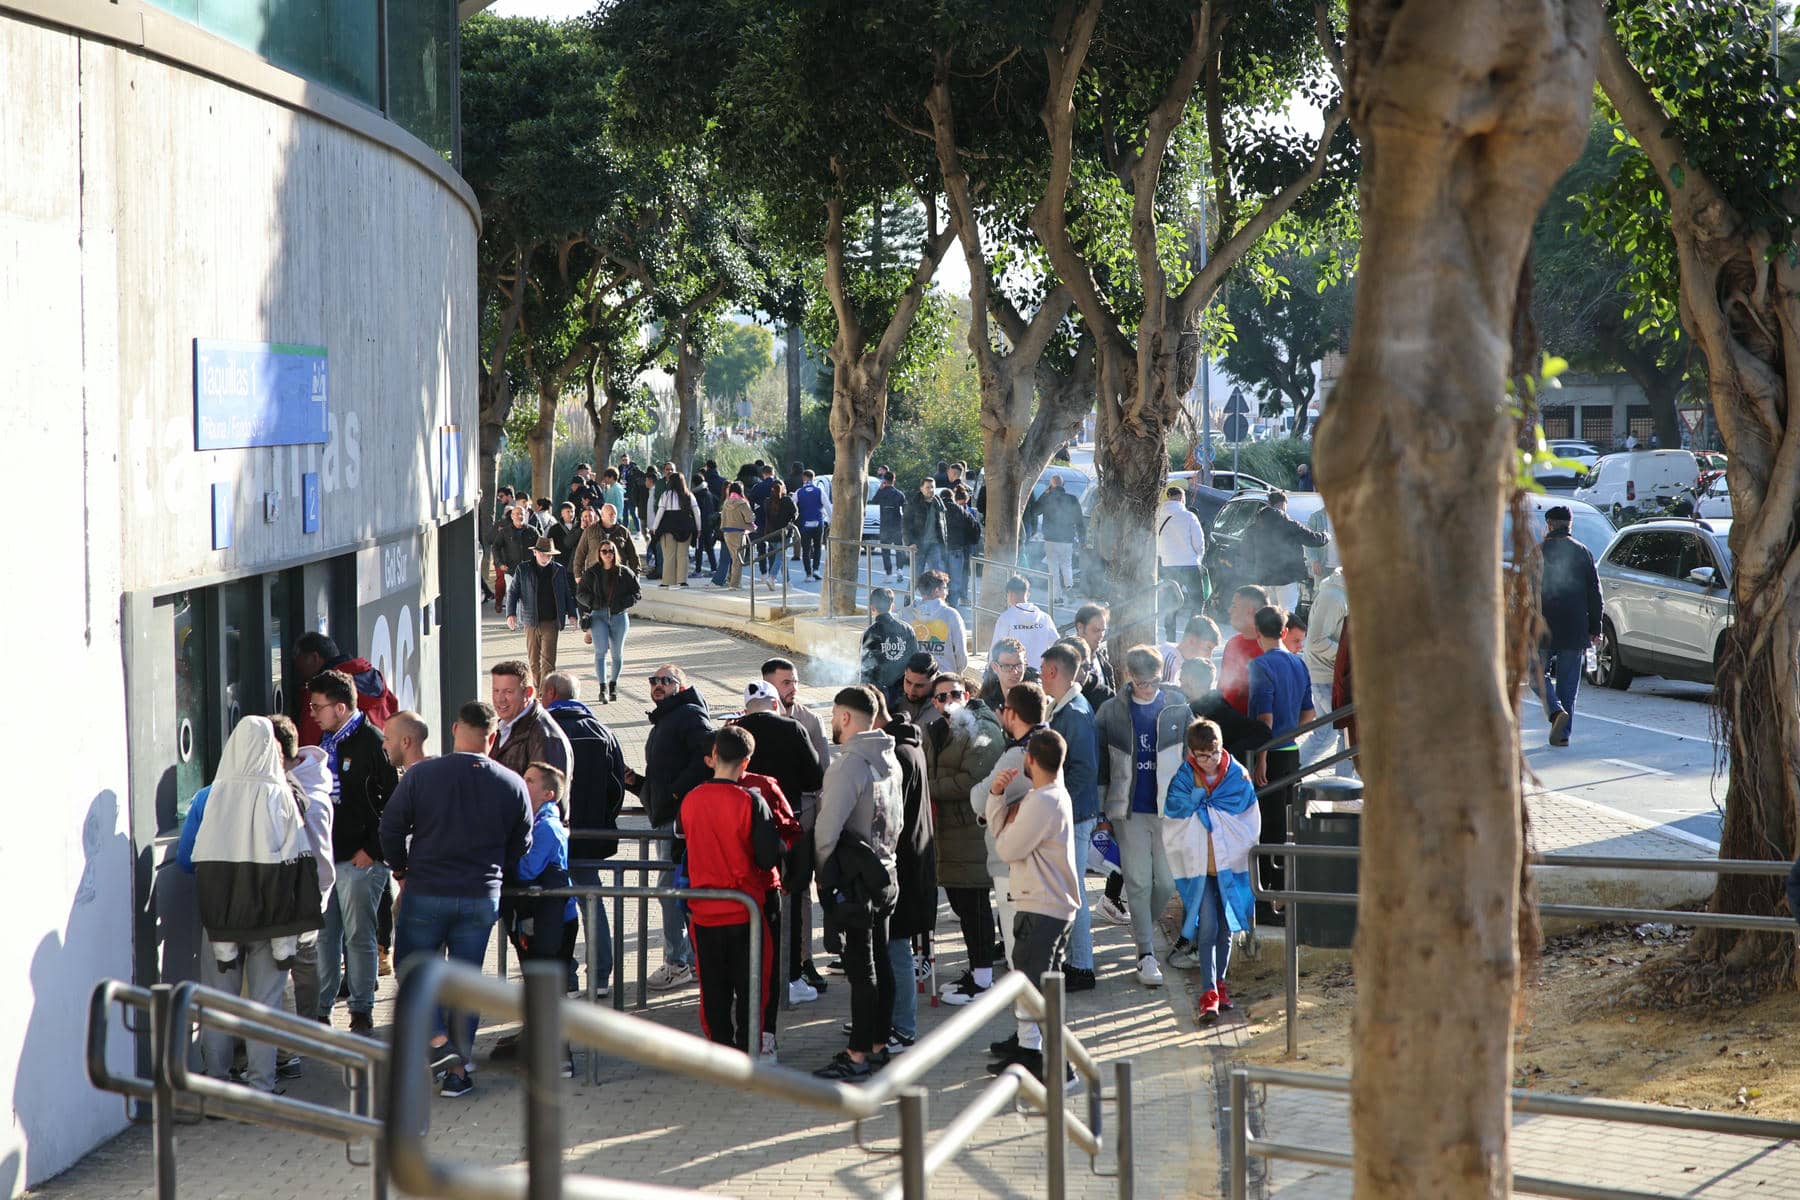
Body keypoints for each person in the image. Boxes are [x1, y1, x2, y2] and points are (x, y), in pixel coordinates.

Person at [380, 701, 533, 1097]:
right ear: (492, 736)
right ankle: (459, 1069)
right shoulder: (512, 783)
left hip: (428, 890)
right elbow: (521, 843)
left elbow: (391, 828)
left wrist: (401, 870)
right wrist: (495, 870)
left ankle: (437, 1044)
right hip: (482, 896)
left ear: (454, 729)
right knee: (465, 983)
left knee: (413, 970)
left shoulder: (423, 776)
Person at [178, 716, 325, 1092]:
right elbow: (301, 862)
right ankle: (261, 1085)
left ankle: (216, 1085)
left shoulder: (210, 797)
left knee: (216, 1004)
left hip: (222, 920)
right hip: (273, 921)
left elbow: (186, 859)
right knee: (265, 1004)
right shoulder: (284, 797)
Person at [812, 686, 903, 1081]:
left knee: (862, 971)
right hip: (886, 873)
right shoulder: (891, 758)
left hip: (855, 882)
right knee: (880, 964)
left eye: (834, 715)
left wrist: (821, 874)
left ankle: (858, 1055)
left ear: (846, 717)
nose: (832, 723)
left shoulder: (849, 764)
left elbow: (826, 830)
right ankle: (880, 1044)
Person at [681, 727, 787, 1056]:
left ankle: (720, 1049)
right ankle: (749, 1046)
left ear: (714, 757)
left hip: (704, 910)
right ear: (746, 762)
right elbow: (767, 855)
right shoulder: (750, 801)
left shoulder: (691, 798)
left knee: (713, 986)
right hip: (745, 909)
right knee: (751, 983)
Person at [983, 729, 1079, 1083]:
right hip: (1048, 906)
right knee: (1036, 988)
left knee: (1038, 993)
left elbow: (1007, 849)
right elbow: (1005, 838)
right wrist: (998, 799)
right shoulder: (1052, 794)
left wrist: (999, 803)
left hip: (1042, 908)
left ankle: (1062, 1069)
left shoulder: (1042, 801)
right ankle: (1033, 1055)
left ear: (1031, 761)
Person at [309, 669, 398, 1033]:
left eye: (319, 706)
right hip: (326, 860)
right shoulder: (324, 742)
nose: (313, 713)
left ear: (341, 707)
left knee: (359, 936)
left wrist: (373, 850)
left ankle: (361, 1010)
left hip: (360, 860)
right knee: (325, 937)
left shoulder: (374, 743)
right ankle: (320, 1008)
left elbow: (394, 803)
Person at [1093, 646, 1188, 988]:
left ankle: (1141, 930)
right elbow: (1101, 767)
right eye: (1143, 682)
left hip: (1168, 810)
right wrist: (1103, 813)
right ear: (1129, 676)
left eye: (1155, 681)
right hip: (1127, 809)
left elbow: (1190, 759)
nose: (1150, 688)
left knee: (1165, 881)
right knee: (1138, 881)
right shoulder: (1110, 712)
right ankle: (1145, 952)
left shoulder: (1177, 707)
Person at [623, 664, 715, 990]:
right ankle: (688, 960)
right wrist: (636, 784)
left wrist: (678, 790)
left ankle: (678, 962)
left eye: (666, 680)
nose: (658, 685)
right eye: (653, 680)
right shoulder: (666, 718)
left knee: (670, 890)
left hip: (680, 821)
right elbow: (663, 778)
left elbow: (708, 754)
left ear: (681, 685)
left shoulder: (688, 713)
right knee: (673, 891)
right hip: (668, 816)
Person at [1162, 718, 1261, 1022]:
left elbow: (1250, 823)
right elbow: (1173, 818)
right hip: (1199, 871)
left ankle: (1221, 984)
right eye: (1202, 756)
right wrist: (1197, 805)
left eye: (1214, 753)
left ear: (1221, 747)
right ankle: (1208, 994)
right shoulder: (1183, 779)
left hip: (1230, 869)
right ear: (1192, 753)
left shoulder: (1238, 778)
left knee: (1226, 927)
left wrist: (1208, 809)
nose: (1209, 760)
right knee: (1207, 928)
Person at [973, 682, 1048, 1063]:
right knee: (1027, 959)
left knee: (1022, 959)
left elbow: (979, 797)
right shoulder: (1046, 744)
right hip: (1036, 869)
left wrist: (992, 796)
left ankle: (1031, 1042)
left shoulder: (1019, 755)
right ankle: (1026, 1035)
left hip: (1014, 867)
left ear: (1011, 713)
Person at [540, 673, 625, 995]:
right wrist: (603, 819)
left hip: (550, 834)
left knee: (553, 905)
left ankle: (567, 977)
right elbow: (616, 786)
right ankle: (601, 976)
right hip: (589, 835)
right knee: (592, 900)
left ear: (549, 693)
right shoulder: (601, 730)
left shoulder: (543, 731)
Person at [494, 763, 580, 1075]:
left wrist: (507, 853)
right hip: (535, 917)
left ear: (549, 793)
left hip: (552, 920)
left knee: (549, 988)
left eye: (529, 780)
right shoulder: (533, 822)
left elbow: (527, 869)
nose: (522, 783)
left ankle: (560, 1056)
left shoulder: (547, 828)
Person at [925, 671, 1005, 1005]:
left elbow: (973, 780)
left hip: (972, 832)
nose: (948, 701)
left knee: (973, 905)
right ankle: (977, 971)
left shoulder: (982, 728)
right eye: (941, 697)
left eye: (954, 694)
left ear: (966, 695)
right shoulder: (939, 729)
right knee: (962, 903)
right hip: (951, 834)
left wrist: (927, 787)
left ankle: (983, 977)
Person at [1247, 605, 1314, 919]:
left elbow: (1264, 719)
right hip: (1292, 755)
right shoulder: (1299, 664)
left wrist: (1260, 758)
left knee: (1265, 828)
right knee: (1285, 828)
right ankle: (1284, 898)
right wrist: (1291, 734)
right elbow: (1309, 714)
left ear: (1258, 633)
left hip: (1270, 756)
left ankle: (1264, 902)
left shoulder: (1260, 665)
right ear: (1285, 632)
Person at [1039, 643, 1100, 992]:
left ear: (1052, 671)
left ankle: (1082, 966)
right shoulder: (1067, 707)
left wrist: (1057, 808)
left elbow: (1082, 771)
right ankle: (1076, 961)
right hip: (1073, 814)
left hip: (1075, 818)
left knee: (1072, 893)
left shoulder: (1073, 713)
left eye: (1041, 669)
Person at [875, 693, 933, 1054]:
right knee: (892, 948)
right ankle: (886, 1017)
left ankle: (903, 1027)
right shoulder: (909, 746)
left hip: (905, 865)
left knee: (897, 949)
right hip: (913, 860)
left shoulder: (898, 754)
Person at [1539, 505, 1604, 747]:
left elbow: (1523, 592)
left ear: (1549, 524)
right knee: (1568, 684)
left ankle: (1555, 712)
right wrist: (1595, 628)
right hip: (1576, 627)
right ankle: (1563, 735)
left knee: (1536, 674)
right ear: (1569, 524)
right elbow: (1595, 593)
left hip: (1542, 626)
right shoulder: (1583, 552)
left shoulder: (1538, 552)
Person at [293, 632, 399, 746]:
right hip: (383, 754)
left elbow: (309, 745)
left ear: (314, 657)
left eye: (299, 662)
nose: (298, 670)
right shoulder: (374, 679)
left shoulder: (322, 691)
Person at [506, 536, 578, 691]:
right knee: (533, 661)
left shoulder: (559, 570)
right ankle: (537, 689)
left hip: (551, 621)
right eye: (543, 554)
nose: (546, 558)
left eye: (549, 555)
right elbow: (513, 592)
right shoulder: (523, 569)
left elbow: (567, 593)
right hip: (531, 621)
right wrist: (510, 613)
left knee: (548, 661)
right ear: (535, 553)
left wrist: (572, 614)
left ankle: (545, 693)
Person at [1240, 491, 1331, 613]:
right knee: (1287, 614)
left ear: (1270, 504)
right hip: (1286, 578)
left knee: (1268, 614)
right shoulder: (1289, 524)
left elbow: (1247, 554)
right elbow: (1312, 539)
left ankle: (1270, 632)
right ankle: (1284, 632)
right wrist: (1326, 535)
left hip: (1264, 578)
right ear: (1283, 504)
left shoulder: (1254, 527)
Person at [489, 659, 573, 789]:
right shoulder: (499, 727)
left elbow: (548, 798)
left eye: (508, 692)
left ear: (528, 693)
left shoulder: (546, 737)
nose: (500, 699)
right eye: (496, 691)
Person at [1301, 566, 1353, 775]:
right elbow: (1316, 641)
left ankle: (1283, 774)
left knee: (1326, 734)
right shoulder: (1334, 597)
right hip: (1328, 676)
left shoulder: (1344, 594)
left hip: (1333, 675)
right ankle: (1345, 792)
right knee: (1347, 732)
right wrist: (1350, 657)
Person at [576, 536, 641, 705]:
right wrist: (593, 602)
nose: (608, 554)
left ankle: (613, 684)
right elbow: (580, 593)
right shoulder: (592, 572)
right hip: (599, 616)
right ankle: (602, 687)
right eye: (604, 551)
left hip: (619, 616)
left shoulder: (624, 572)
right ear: (599, 554)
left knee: (617, 654)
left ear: (615, 553)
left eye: (611, 551)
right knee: (600, 652)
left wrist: (623, 603)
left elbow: (637, 593)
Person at [1179, 657, 1268, 767]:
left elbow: (1262, 731)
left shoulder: (1214, 709)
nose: (1181, 687)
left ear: (1192, 681)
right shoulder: (1211, 705)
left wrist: (1226, 759)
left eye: (1182, 682)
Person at [1156, 484, 1209, 641]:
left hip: (1168, 566)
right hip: (1189, 565)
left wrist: (1164, 556)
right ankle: (1192, 634)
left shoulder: (1158, 516)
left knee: (1171, 604)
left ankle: (1170, 638)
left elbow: (1155, 542)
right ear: (1181, 498)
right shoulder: (1189, 516)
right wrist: (1197, 557)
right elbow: (1199, 543)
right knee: (1197, 601)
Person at [901, 570, 968, 676]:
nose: (947, 592)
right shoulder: (951, 615)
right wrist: (957, 672)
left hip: (915, 677)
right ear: (937, 591)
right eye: (945, 588)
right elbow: (961, 653)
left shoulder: (905, 614)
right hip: (945, 678)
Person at [1219, 585, 1269, 715]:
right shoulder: (1232, 643)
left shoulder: (1269, 651)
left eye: (1234, 606)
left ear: (1250, 611)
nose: (1229, 610)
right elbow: (1222, 687)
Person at [989, 575, 1057, 667]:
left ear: (1010, 594)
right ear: (1028, 594)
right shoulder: (1044, 617)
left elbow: (996, 649)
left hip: (1015, 673)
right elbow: (1056, 644)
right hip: (1040, 674)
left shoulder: (1006, 618)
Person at [1035, 473, 1085, 597]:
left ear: (1051, 486)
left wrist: (1045, 494)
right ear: (1063, 484)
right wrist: (1082, 539)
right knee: (1067, 564)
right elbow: (1079, 521)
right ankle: (1068, 586)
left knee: (1053, 570)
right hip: (1067, 539)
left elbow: (1035, 511)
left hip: (1051, 539)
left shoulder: (1047, 498)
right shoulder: (1072, 499)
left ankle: (1057, 597)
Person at [647, 470, 699, 587]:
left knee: (669, 555)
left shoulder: (665, 495)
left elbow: (660, 512)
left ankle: (667, 581)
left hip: (667, 526)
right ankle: (682, 581)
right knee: (683, 555)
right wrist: (698, 528)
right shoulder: (689, 495)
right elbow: (697, 512)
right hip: (685, 527)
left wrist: (654, 527)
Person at [861, 586, 918, 691]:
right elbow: (915, 659)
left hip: (877, 688)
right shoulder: (907, 629)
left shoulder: (870, 632)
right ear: (892, 606)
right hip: (903, 687)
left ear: (872, 608)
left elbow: (865, 665)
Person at [573, 501, 641, 578]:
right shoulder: (590, 531)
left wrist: (636, 575)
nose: (613, 516)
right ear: (602, 515)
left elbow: (633, 556)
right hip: (595, 575)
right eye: (610, 514)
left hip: (617, 576)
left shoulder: (623, 532)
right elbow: (580, 553)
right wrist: (578, 575)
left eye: (615, 514)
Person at [489, 504, 535, 615]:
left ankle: (524, 619)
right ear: (512, 516)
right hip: (510, 570)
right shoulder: (505, 532)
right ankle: (511, 617)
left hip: (528, 570)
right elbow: (495, 547)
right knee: (512, 594)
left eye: (522, 514)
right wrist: (500, 563)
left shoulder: (532, 531)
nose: (520, 516)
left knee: (527, 595)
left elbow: (540, 547)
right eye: (517, 514)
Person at [944, 484, 982, 607]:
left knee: (963, 574)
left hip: (964, 547)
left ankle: (962, 597)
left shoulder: (967, 511)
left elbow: (974, 529)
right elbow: (975, 529)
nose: (962, 505)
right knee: (953, 576)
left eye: (965, 502)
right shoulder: (961, 511)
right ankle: (951, 600)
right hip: (959, 547)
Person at [904, 477, 950, 576]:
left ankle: (935, 591)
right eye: (928, 487)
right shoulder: (913, 502)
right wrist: (910, 542)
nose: (931, 490)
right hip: (918, 544)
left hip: (935, 544)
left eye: (932, 487)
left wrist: (945, 542)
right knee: (917, 574)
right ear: (921, 488)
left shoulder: (939, 503)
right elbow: (905, 524)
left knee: (937, 575)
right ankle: (912, 591)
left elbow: (944, 525)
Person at [716, 482, 755, 589]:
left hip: (727, 533)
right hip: (739, 533)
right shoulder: (742, 503)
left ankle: (731, 579)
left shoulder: (726, 502)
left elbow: (723, 517)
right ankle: (734, 584)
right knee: (738, 560)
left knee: (734, 558)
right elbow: (749, 518)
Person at [1074, 604, 1116, 703]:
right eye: (1096, 630)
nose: (1101, 635)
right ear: (1080, 627)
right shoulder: (1066, 659)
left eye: (1103, 630)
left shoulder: (1102, 661)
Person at [887, 650, 942, 727]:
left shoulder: (946, 704)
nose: (911, 690)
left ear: (933, 682)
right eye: (908, 682)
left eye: (919, 686)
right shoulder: (892, 692)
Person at [1162, 614, 1220, 685]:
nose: (1210, 656)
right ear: (1191, 641)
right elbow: (1165, 693)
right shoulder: (1169, 661)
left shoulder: (1191, 663)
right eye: (1208, 648)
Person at [978, 637, 1034, 711]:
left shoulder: (1035, 697)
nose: (1015, 672)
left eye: (1019, 665)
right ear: (995, 667)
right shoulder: (987, 705)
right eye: (1007, 666)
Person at [759, 480, 798, 582]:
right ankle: (772, 577)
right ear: (783, 488)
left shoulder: (767, 502)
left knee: (779, 557)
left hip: (771, 533)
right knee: (780, 557)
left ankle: (787, 580)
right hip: (784, 534)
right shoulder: (787, 500)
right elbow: (795, 514)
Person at [872, 471, 909, 580]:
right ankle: (900, 570)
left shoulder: (881, 492)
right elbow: (906, 508)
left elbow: (874, 501)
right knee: (899, 548)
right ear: (894, 480)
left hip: (885, 525)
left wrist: (880, 489)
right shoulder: (899, 493)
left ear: (884, 480)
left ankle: (888, 574)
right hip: (897, 524)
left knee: (885, 550)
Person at [795, 469, 830, 580]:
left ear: (804, 478)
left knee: (805, 549)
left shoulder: (799, 492)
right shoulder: (819, 491)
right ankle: (816, 569)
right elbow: (828, 506)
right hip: (818, 523)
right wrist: (831, 520)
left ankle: (808, 574)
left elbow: (792, 506)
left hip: (804, 524)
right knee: (818, 547)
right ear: (813, 478)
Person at [689, 471, 719, 576]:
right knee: (709, 548)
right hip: (709, 525)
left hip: (700, 525)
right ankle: (714, 568)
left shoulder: (696, 495)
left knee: (699, 548)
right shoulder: (708, 493)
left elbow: (695, 512)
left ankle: (697, 570)